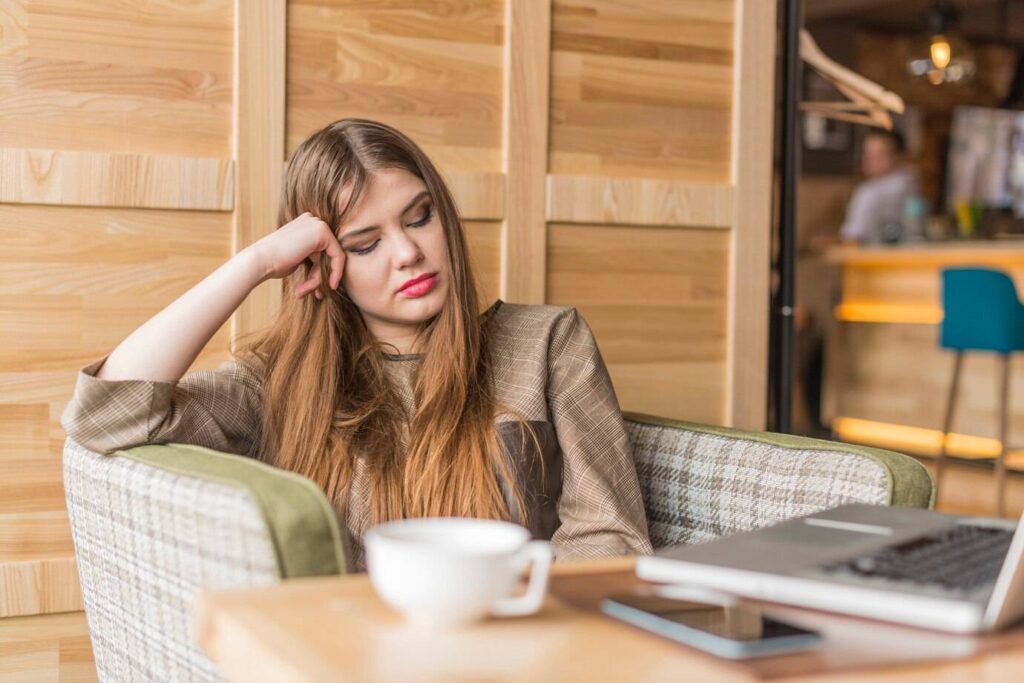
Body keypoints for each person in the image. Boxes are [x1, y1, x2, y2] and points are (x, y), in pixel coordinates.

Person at [60, 119, 653, 570]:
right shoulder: (278, 384)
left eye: (419, 217)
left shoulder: (548, 342)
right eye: (365, 245)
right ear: (324, 262)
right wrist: (257, 262)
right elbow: (105, 413)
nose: (408, 253)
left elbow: (610, 537)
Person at [839, 129, 920, 243]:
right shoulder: (910, 181)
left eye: (880, 154)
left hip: (871, 251)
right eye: (868, 154)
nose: (871, 160)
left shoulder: (870, 191)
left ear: (898, 156)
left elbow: (853, 236)